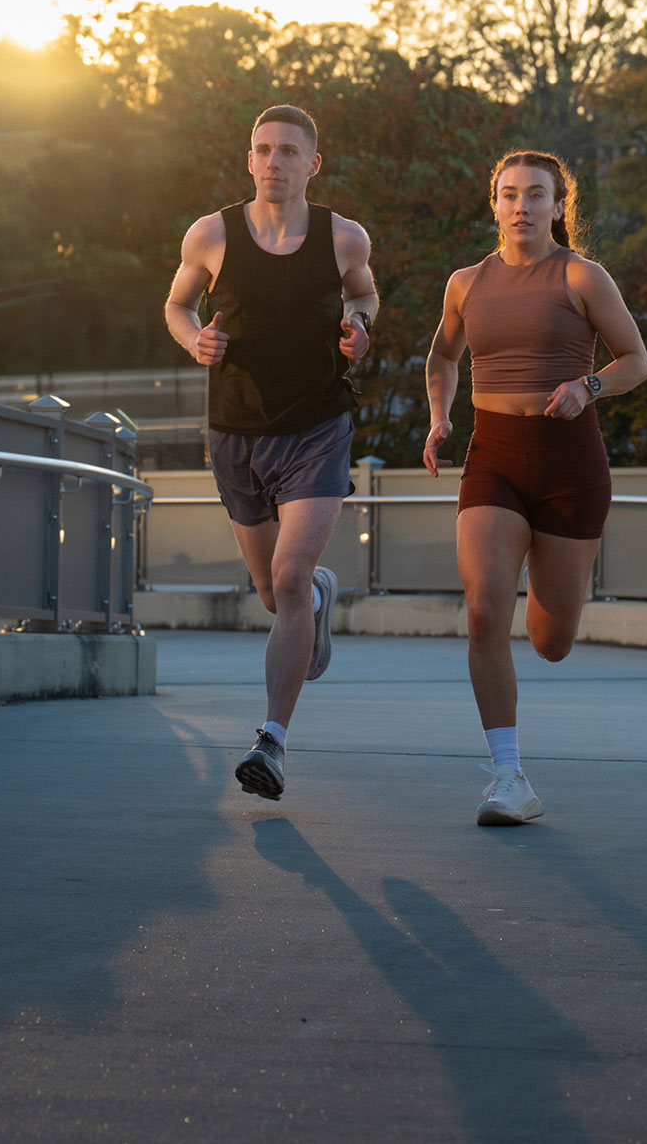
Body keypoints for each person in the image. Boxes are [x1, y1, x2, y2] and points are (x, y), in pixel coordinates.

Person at [423, 150, 647, 826]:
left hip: (569, 467)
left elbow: (636, 360)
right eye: (509, 194)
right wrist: (439, 416)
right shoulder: (466, 283)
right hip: (492, 460)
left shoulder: (581, 275)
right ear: (494, 204)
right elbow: (442, 355)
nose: (521, 205)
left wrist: (589, 385)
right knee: (485, 612)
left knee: (552, 641)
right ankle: (509, 777)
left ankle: (553, 592)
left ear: (557, 206)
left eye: (536, 194)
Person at [166, 104, 377, 802]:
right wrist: (195, 339)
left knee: (286, 579)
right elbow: (177, 306)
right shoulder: (211, 234)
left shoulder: (342, 237)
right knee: (272, 591)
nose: (274, 161)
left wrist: (359, 328)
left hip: (318, 426)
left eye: (289, 150)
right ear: (249, 159)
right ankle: (314, 597)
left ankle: (272, 742)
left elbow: (365, 295)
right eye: (263, 149)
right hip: (235, 431)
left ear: (313, 163)